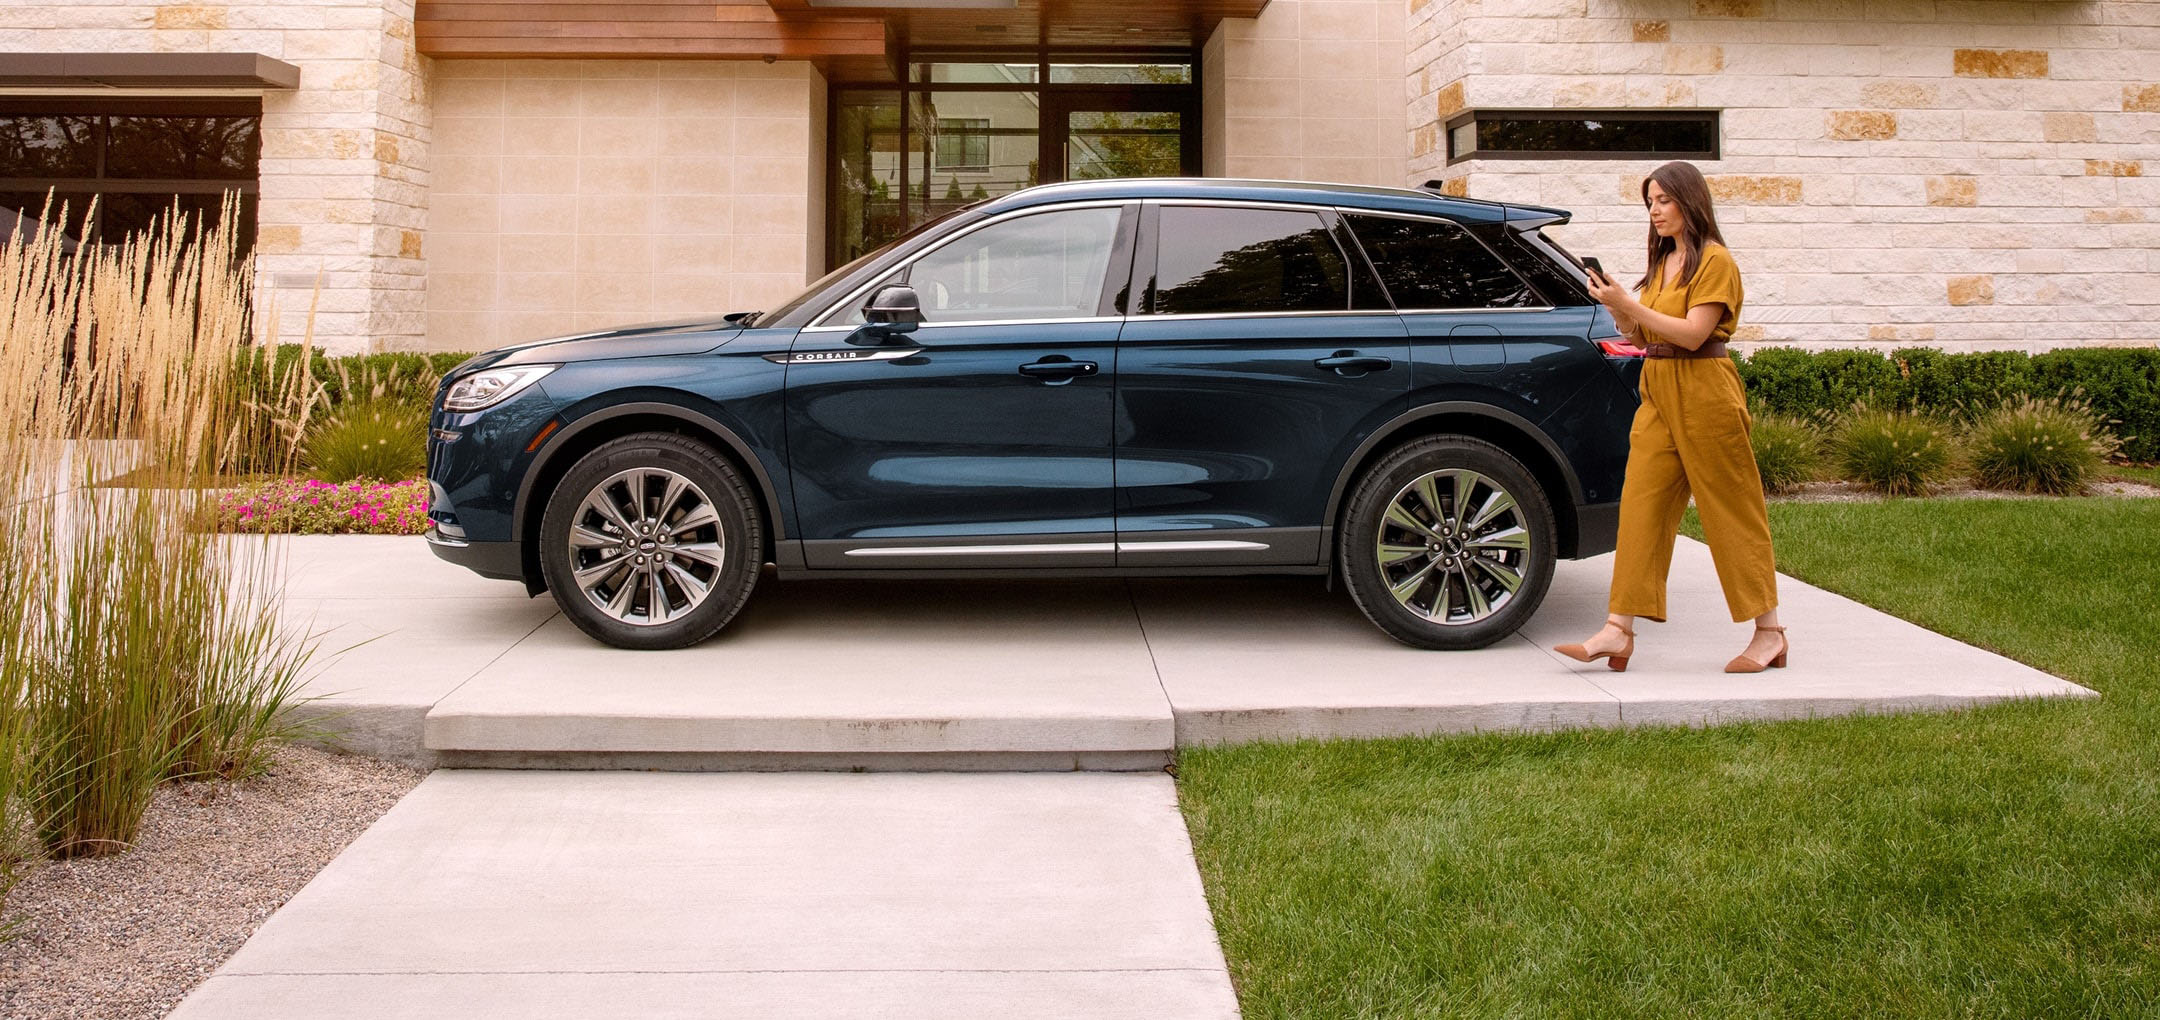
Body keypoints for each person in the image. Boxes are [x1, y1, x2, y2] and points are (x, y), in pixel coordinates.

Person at [1554, 160, 1787, 674]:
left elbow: (1692, 334)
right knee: (1640, 509)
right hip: (1657, 390)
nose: (1655, 212)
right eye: (1650, 203)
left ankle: (1769, 633)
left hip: (1705, 390)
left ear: (1690, 201)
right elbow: (1646, 338)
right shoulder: (1663, 263)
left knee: (1731, 512)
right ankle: (1618, 629)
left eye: (1663, 200)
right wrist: (1619, 308)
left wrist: (1632, 308)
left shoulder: (1715, 261)